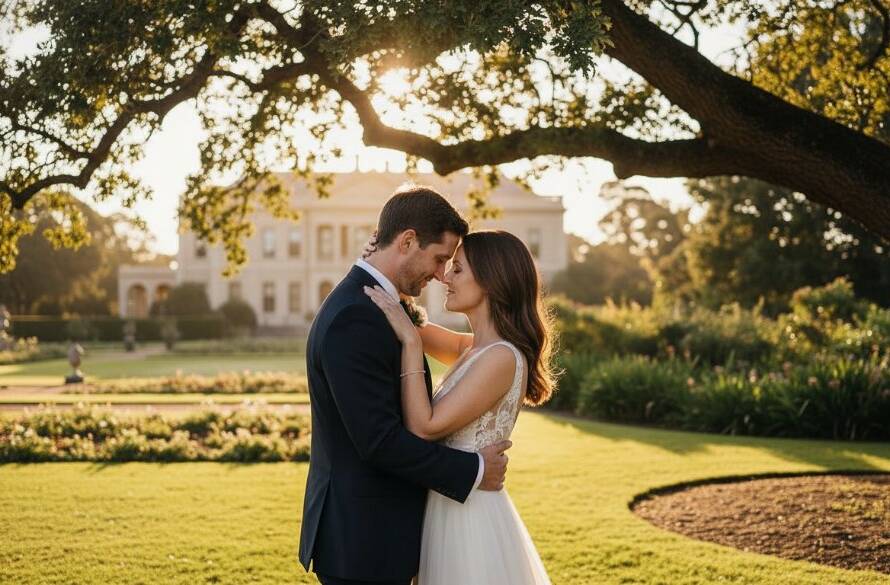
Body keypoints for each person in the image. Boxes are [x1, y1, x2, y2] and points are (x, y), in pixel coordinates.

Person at [298, 185, 512, 585]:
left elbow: (465, 346)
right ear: (408, 240)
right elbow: (378, 441)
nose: (440, 274)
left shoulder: (376, 304)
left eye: (451, 265)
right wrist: (475, 469)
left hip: (383, 536)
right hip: (364, 542)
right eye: (439, 259)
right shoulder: (357, 317)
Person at [363, 228, 556, 584]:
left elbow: (425, 426)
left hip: (470, 518)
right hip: (449, 504)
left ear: (491, 281)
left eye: (457, 269)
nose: (443, 277)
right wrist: (382, 261)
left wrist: (408, 343)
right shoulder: (474, 348)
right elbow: (407, 318)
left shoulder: (501, 357)